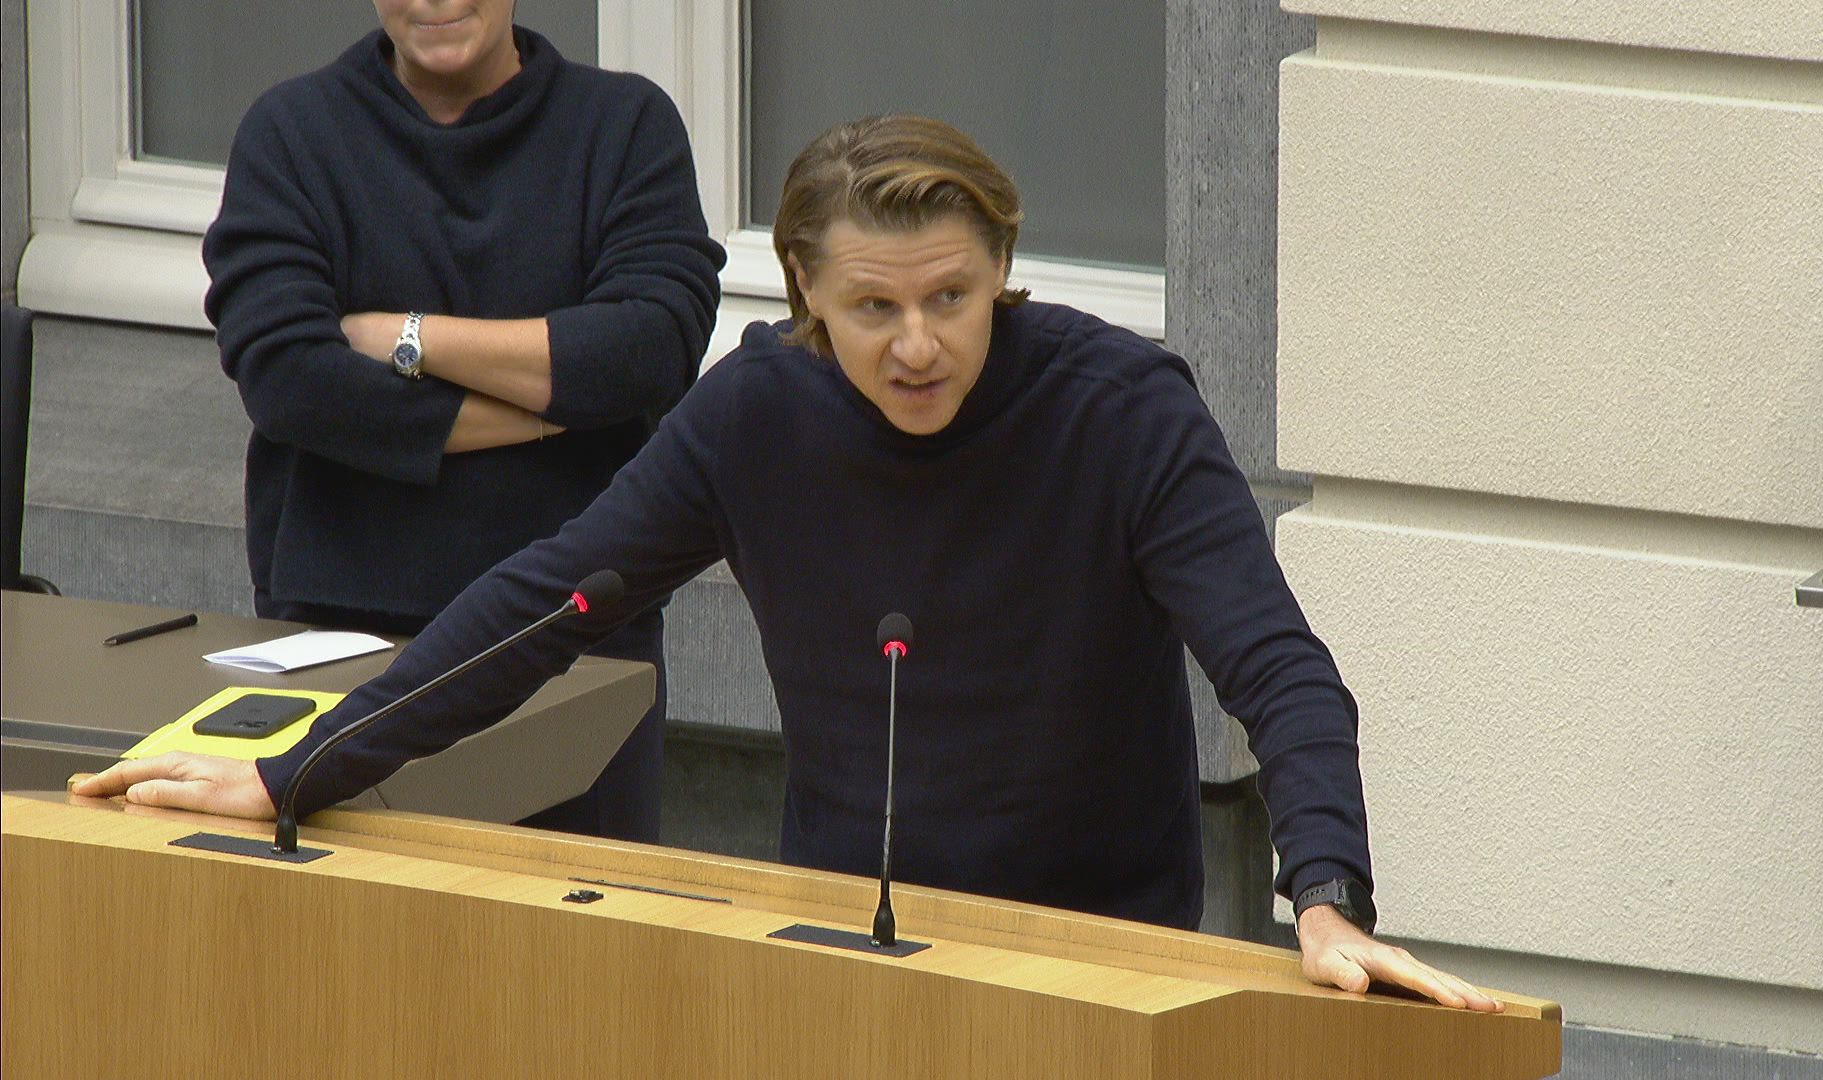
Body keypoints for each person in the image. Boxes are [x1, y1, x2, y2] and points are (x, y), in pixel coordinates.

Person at [86, 114, 1498, 1011]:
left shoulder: (1122, 411)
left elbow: (1278, 669)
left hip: (1097, 952)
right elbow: (550, 600)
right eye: (873, 307)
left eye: (953, 297)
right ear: (806, 290)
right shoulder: (757, 411)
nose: (919, 344)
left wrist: (1327, 901)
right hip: (846, 934)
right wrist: (299, 772)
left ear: (1003, 268)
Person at [198, 0, 724, 842]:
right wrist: (555, 407)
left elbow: (651, 347)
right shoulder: (293, 133)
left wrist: (404, 337)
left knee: (575, 915)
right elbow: (290, 379)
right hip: (342, 628)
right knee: (350, 917)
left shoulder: (623, 126)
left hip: (578, 635)